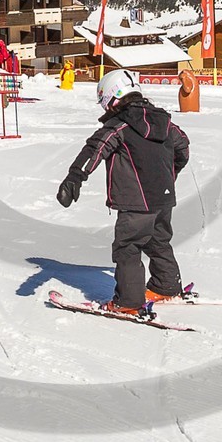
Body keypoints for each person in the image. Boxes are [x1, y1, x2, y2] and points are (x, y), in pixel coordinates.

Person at [56, 70, 192, 316]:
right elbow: (183, 146)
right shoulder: (166, 123)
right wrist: (168, 176)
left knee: (127, 247)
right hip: (163, 198)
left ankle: (128, 302)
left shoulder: (120, 126)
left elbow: (95, 149)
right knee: (158, 241)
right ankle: (166, 285)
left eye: (104, 101)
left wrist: (75, 177)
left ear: (112, 97)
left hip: (135, 203)